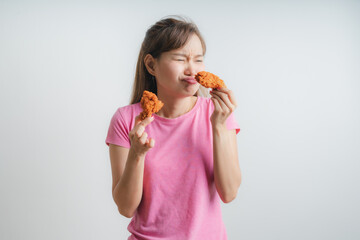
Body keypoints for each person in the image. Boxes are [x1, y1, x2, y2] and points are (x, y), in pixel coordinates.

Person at [105, 15, 242, 240]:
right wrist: (137, 155)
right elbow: (125, 208)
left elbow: (229, 193)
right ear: (151, 64)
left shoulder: (219, 112)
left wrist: (218, 127)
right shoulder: (127, 119)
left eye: (198, 60)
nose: (192, 70)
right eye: (180, 59)